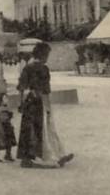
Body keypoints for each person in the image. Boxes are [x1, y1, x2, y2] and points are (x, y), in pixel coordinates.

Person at [16, 41, 74, 169]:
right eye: (47, 54)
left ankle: (31, 157)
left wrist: (21, 103)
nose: (47, 57)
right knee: (44, 128)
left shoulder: (27, 67)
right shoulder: (43, 68)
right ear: (42, 54)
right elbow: (45, 90)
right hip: (40, 101)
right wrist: (47, 106)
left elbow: (21, 87)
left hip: (30, 101)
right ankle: (47, 156)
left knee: (30, 129)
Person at [0, 96, 17, 162]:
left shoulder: (1, 108)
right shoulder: (2, 109)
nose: (6, 100)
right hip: (2, 126)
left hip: (4, 125)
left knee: (6, 141)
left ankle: (6, 155)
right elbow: (3, 117)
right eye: (4, 99)